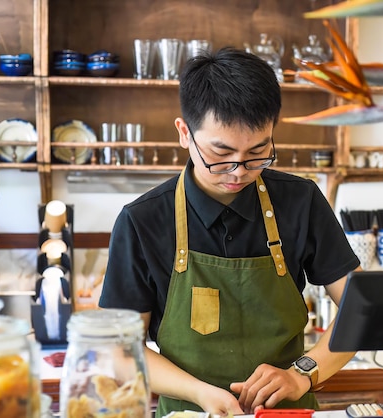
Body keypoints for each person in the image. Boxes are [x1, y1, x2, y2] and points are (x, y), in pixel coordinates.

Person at [99, 47, 360, 417]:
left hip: (287, 412)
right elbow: (120, 350)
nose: (238, 171)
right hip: (189, 412)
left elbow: (362, 306)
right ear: (184, 133)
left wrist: (302, 375)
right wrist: (202, 393)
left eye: (258, 152)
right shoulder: (142, 221)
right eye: (220, 153)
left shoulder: (300, 201)